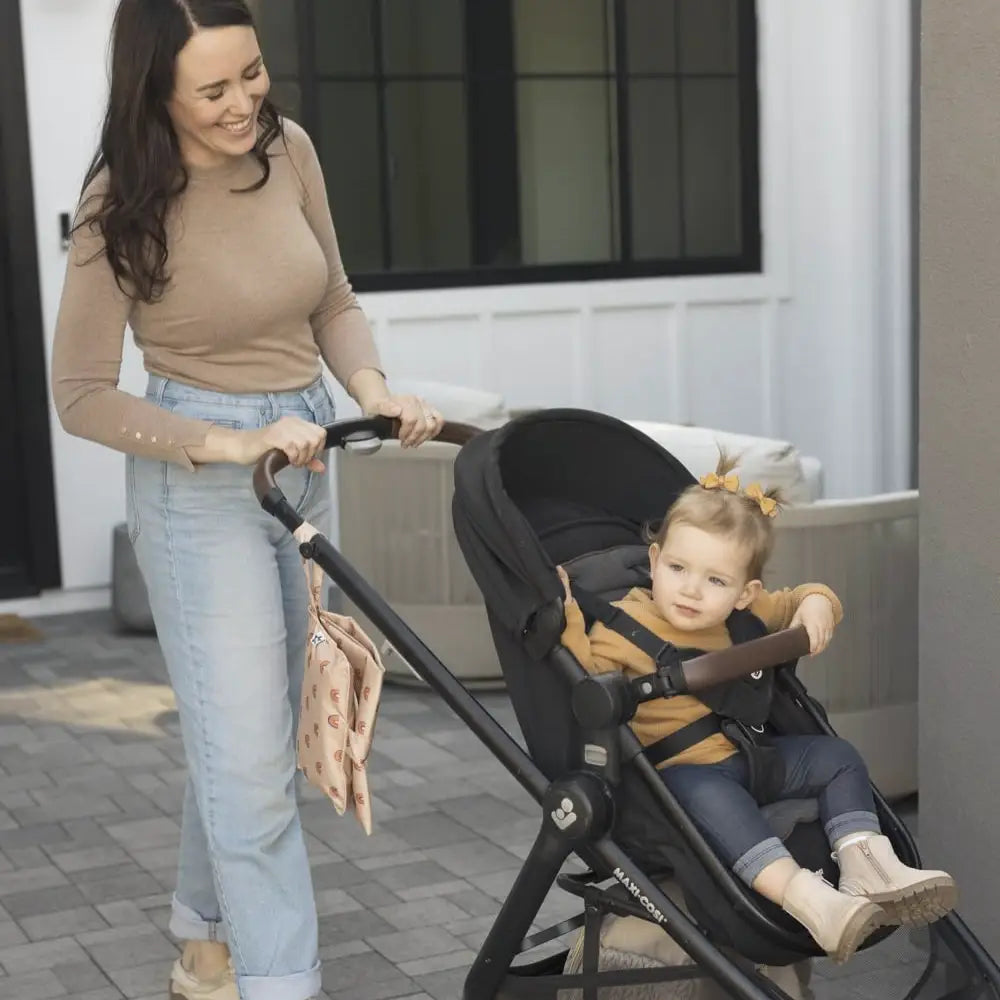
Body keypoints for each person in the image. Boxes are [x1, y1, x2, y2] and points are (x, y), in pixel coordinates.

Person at [50, 3, 443, 998]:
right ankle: (282, 983)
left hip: (305, 451)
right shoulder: (119, 204)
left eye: (252, 76)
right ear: (156, 94)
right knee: (254, 768)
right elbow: (81, 394)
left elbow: (332, 301)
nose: (243, 105)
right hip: (200, 484)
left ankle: (203, 940)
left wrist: (374, 392)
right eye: (213, 91)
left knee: (252, 735)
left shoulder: (290, 151)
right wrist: (229, 443)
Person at [557, 451, 957, 965]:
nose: (691, 589)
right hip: (678, 776)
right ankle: (812, 902)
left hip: (751, 758)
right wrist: (564, 612)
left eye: (715, 581)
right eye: (677, 568)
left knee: (836, 758)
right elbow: (582, 677)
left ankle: (868, 863)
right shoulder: (618, 628)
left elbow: (805, 598)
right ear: (654, 561)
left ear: (745, 593)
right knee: (716, 801)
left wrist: (816, 604)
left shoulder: (747, 613)